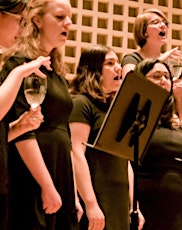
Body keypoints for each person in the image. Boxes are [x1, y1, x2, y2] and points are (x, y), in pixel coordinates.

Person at [0, 0, 81, 228]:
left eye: (70, 17)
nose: (69, 23)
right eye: (59, 17)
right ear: (37, 20)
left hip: (59, 169)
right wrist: (47, 186)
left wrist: (72, 192)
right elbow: (22, 134)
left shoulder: (55, 71)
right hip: (33, 175)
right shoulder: (20, 64)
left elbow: (65, 135)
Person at [68, 45, 145, 230]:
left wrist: (134, 205)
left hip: (118, 202)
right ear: (93, 70)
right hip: (98, 197)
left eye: (118, 62)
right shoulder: (82, 103)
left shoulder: (114, 108)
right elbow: (76, 153)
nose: (119, 67)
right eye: (110, 63)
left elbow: (125, 160)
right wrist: (91, 203)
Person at [134, 58, 182, 230]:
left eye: (167, 76)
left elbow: (175, 166)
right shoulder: (134, 118)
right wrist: (133, 207)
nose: (164, 81)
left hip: (174, 209)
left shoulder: (173, 121)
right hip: (145, 206)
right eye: (156, 76)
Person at [0, 0, 51, 228]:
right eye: (20, 20)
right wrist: (20, 72)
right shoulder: (14, 66)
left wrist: (17, 128)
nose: (23, 29)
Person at [121, 8, 182, 120]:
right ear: (143, 31)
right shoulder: (131, 59)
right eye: (155, 22)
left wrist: (179, 97)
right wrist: (160, 60)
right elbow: (130, 85)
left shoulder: (170, 64)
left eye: (165, 23)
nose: (163, 26)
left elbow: (181, 115)